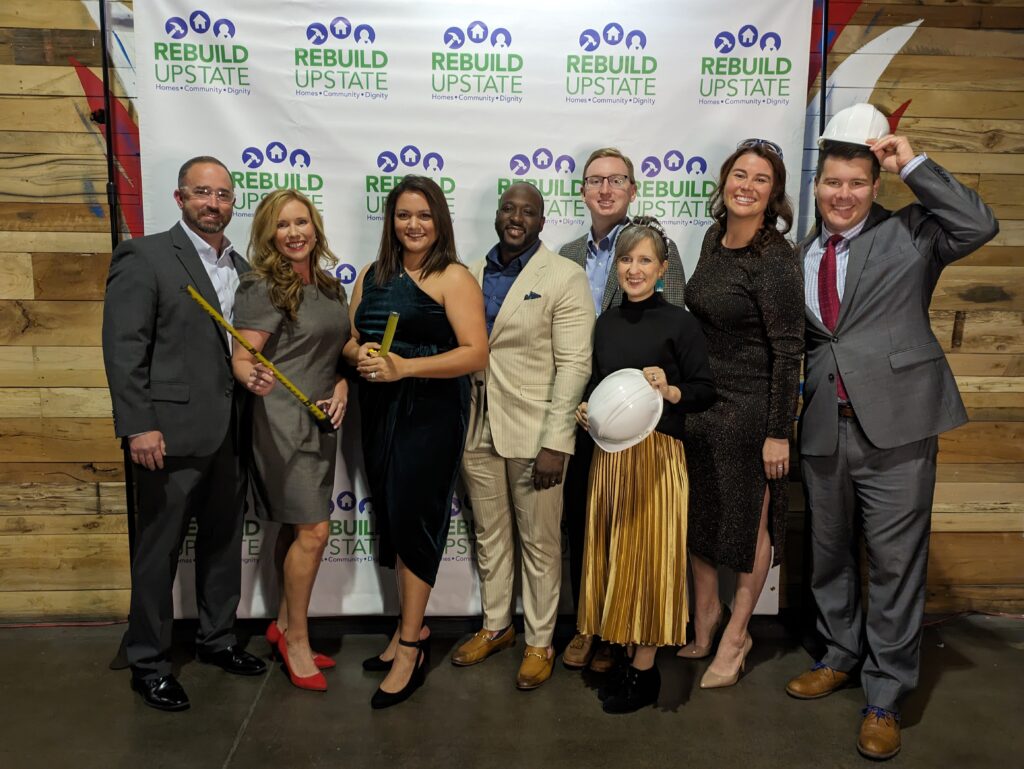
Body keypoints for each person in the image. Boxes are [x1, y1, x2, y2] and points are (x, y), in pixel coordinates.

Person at [785, 109, 998, 760]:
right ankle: (841, 653)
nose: (842, 193)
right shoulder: (802, 255)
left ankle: (884, 693)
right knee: (828, 555)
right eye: (832, 183)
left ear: (875, 185)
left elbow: (979, 223)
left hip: (899, 425)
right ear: (816, 185)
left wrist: (911, 161)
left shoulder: (913, 233)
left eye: (856, 182)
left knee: (898, 564)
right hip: (825, 424)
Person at [102, 156, 266, 712]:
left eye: (222, 194)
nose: (212, 203)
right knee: (159, 551)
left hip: (230, 433)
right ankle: (148, 660)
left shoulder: (243, 268)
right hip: (167, 436)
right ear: (179, 198)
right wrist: (139, 424)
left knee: (222, 544)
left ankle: (217, 639)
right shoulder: (145, 256)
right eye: (201, 192)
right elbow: (124, 348)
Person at [344, 175, 488, 709]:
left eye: (424, 215)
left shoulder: (454, 277)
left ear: (440, 221)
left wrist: (407, 367)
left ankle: (409, 647)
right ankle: (410, 631)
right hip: (378, 410)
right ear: (391, 220)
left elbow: (476, 353)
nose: (413, 224)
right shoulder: (371, 275)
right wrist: (355, 356)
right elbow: (353, 337)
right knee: (394, 518)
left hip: (430, 414)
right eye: (404, 215)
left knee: (417, 520)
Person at [452, 183, 594, 689]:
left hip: (537, 433)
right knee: (489, 536)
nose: (517, 218)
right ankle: (496, 627)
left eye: (528, 211)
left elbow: (576, 362)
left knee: (539, 543)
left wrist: (558, 441)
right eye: (509, 209)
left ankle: (539, 640)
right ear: (496, 215)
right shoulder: (469, 272)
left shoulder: (564, 276)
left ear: (541, 220)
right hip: (476, 424)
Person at [576, 219, 716, 713]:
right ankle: (624, 651)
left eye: (644, 261)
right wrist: (585, 412)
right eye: (626, 260)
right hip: (610, 459)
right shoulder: (606, 322)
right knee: (616, 555)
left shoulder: (680, 322)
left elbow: (703, 390)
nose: (634, 269)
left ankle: (645, 669)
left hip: (659, 456)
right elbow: (599, 385)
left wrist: (671, 389)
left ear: (661, 270)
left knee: (652, 559)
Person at [558, 147, 688, 672]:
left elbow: (671, 320)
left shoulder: (658, 248)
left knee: (627, 527)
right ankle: (590, 624)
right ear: (584, 191)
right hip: (581, 406)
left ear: (633, 189)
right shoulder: (566, 253)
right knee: (582, 520)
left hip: (635, 414)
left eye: (617, 180)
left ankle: (619, 633)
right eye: (595, 180)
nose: (605, 189)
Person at [683, 139, 803, 688]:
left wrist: (778, 432)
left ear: (773, 192)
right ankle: (705, 617)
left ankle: (736, 635)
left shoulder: (776, 258)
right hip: (705, 401)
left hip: (753, 407)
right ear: (725, 181)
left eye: (760, 179)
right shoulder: (713, 238)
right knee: (702, 514)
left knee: (749, 519)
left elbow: (788, 350)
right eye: (739, 174)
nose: (746, 186)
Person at [231, 189, 349, 692]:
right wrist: (246, 374)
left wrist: (343, 384)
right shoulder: (262, 286)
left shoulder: (327, 285)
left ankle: (281, 624)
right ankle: (296, 639)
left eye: (302, 222)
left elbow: (335, 349)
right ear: (268, 235)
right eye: (283, 225)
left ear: (315, 228)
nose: (295, 232)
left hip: (322, 418)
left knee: (296, 529)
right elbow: (242, 355)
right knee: (314, 533)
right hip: (281, 422)